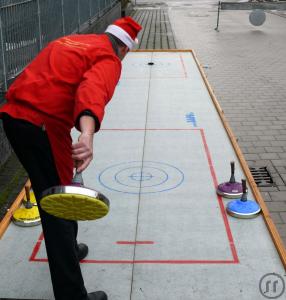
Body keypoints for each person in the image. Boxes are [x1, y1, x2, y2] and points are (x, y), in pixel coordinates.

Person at [0, 16, 142, 300]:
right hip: (43, 126)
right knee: (59, 208)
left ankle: (70, 248)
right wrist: (87, 136)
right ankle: (72, 295)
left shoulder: (71, 41)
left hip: (13, 117)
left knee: (56, 188)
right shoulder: (109, 58)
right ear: (124, 49)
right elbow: (93, 91)